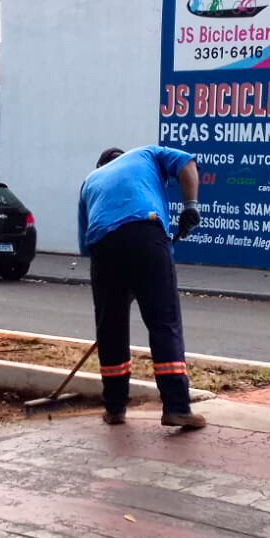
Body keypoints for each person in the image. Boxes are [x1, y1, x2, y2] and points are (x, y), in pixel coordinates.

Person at [77, 146, 206, 429]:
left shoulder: (89, 181)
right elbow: (188, 165)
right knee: (163, 322)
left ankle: (114, 408)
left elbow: (87, 247)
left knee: (110, 329)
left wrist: (119, 290)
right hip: (145, 232)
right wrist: (190, 207)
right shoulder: (146, 154)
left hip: (103, 248)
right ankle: (176, 408)